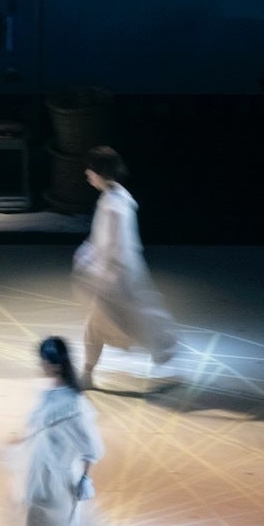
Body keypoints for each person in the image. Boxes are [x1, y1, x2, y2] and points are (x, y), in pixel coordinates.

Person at [17, 336, 113, 526]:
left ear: (55, 364)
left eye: (44, 361)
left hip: (59, 479)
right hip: (42, 475)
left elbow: (90, 447)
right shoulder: (49, 394)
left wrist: (84, 478)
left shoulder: (73, 404)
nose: (41, 365)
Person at [73, 146, 177, 387]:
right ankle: (162, 353)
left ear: (98, 171)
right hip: (120, 278)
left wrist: (92, 267)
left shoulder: (114, 205)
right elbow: (106, 242)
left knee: (100, 327)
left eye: (89, 170)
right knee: (137, 322)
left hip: (115, 280)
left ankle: (87, 374)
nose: (87, 175)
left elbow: (113, 247)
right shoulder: (116, 197)